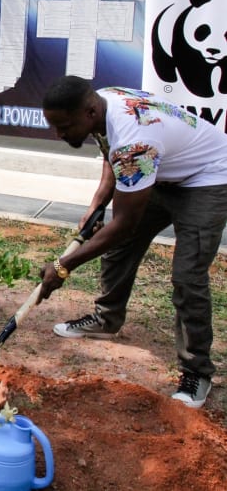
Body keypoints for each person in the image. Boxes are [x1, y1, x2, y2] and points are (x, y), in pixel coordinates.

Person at [40, 76, 227, 409]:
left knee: (187, 276)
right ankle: (107, 318)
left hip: (208, 177)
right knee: (118, 249)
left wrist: (63, 265)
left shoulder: (134, 143)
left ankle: (197, 370)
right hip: (164, 171)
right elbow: (109, 151)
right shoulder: (105, 102)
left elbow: (124, 224)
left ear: (89, 111)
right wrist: (97, 202)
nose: (59, 135)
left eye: (64, 127)